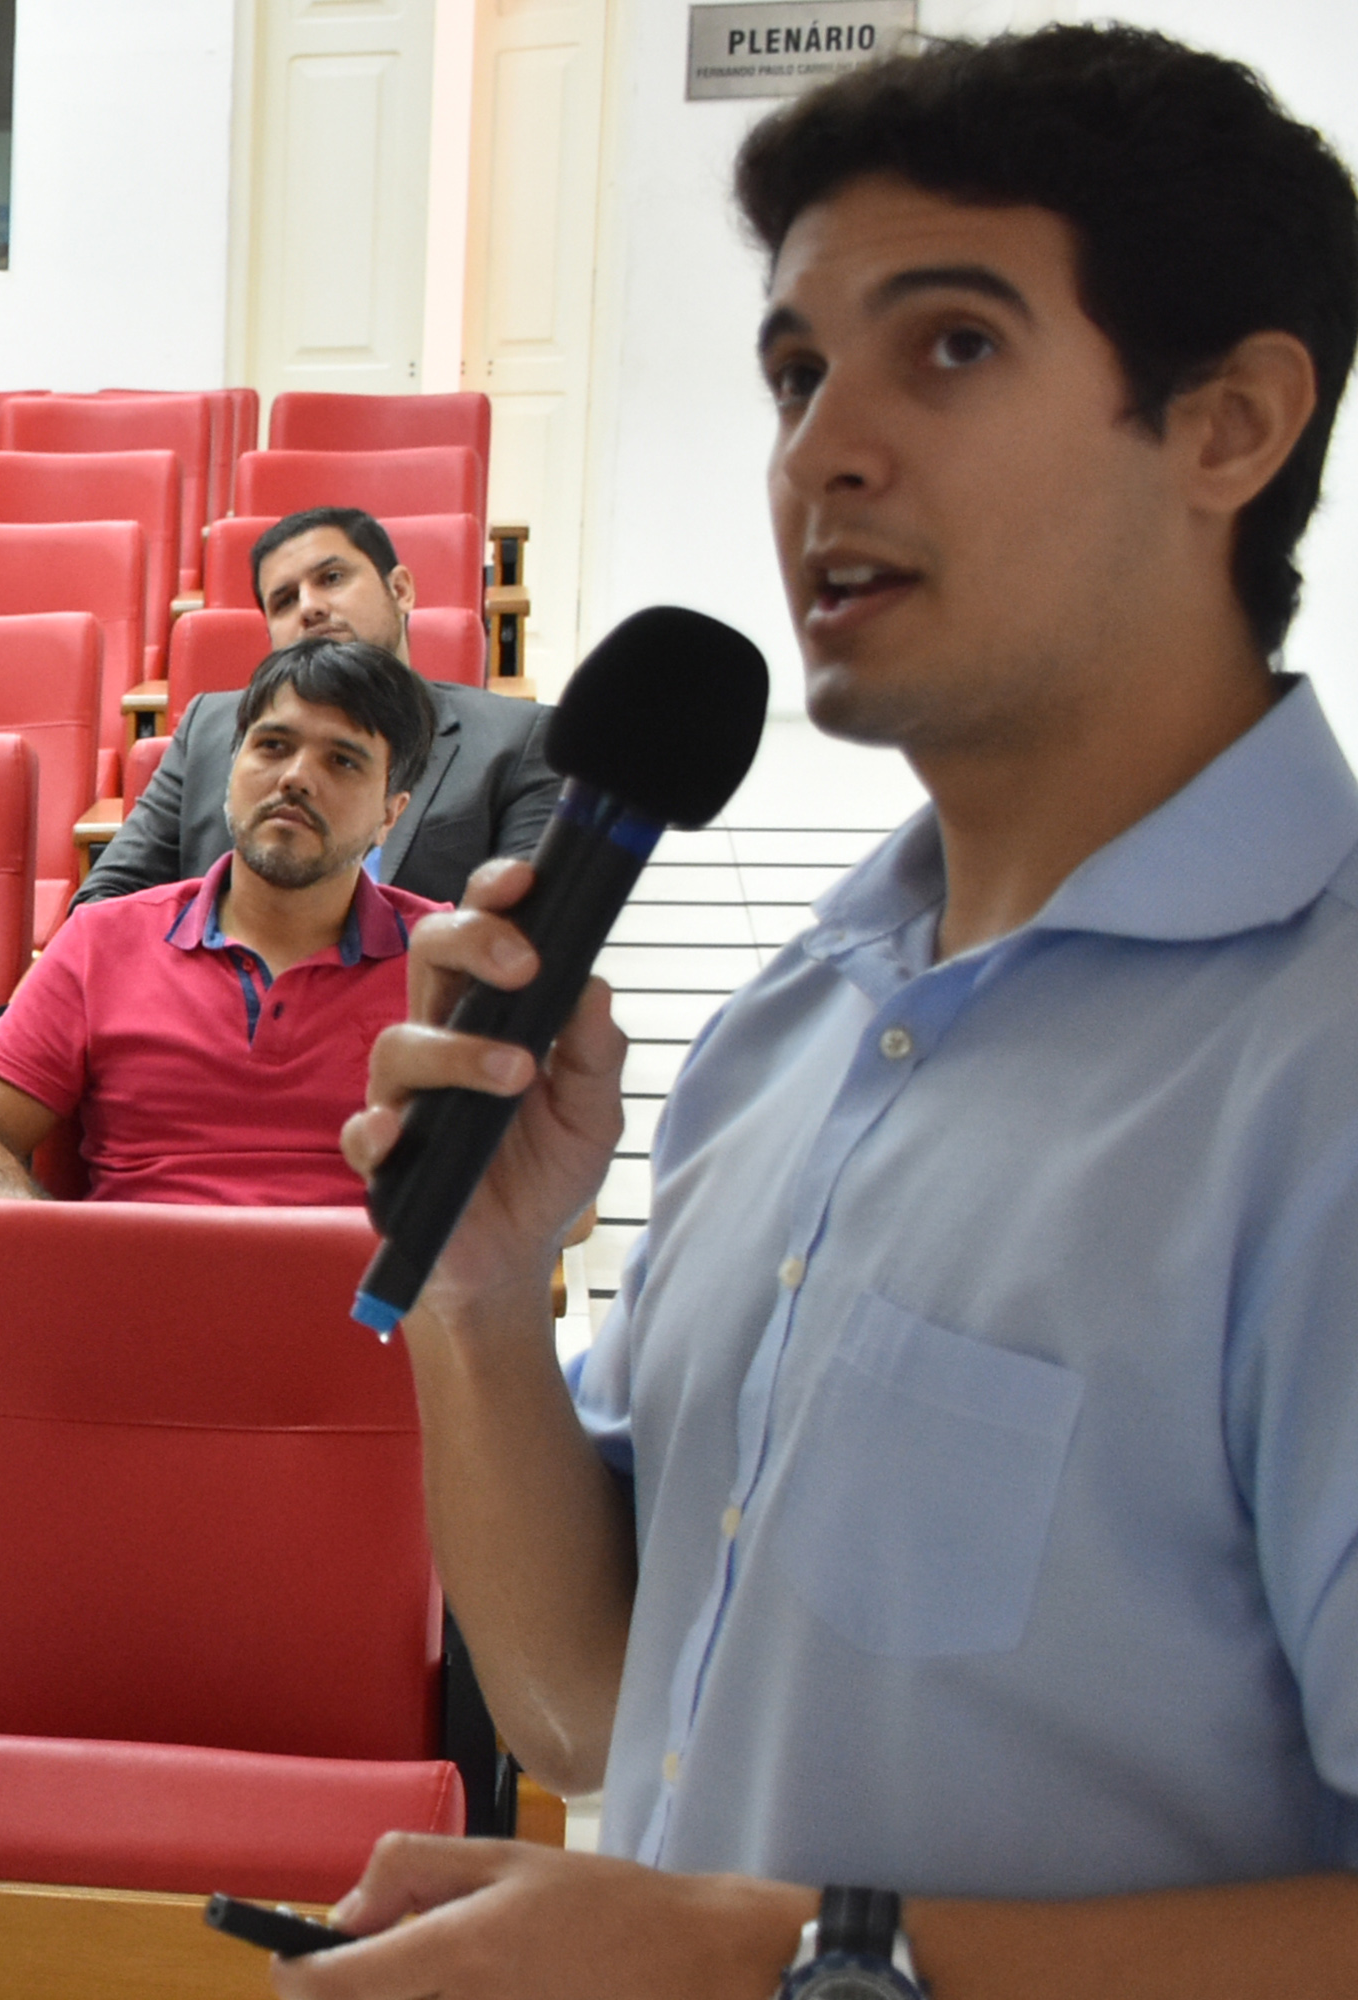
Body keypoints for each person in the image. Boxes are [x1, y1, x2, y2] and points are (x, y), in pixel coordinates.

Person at [301, 26, 1358, 1999]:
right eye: (797, 371)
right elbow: (588, 1704)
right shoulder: (793, 1027)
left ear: (1229, 426)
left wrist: (784, 1955)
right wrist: (475, 1286)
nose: (820, 450)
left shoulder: (1318, 1077)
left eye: (948, 347)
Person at [0, 637, 438, 1210]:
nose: (297, 778)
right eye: (273, 745)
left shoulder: (444, 965)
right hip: (131, 1287)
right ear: (231, 769)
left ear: (390, 812)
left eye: (343, 760)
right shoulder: (101, 942)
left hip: (354, 1292)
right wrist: (63, 1252)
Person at [78, 504, 559, 908]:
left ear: (400, 590)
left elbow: (527, 938)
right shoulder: (209, 728)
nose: (309, 607)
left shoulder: (516, 741)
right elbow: (108, 898)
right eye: (284, 601)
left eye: (331, 578)